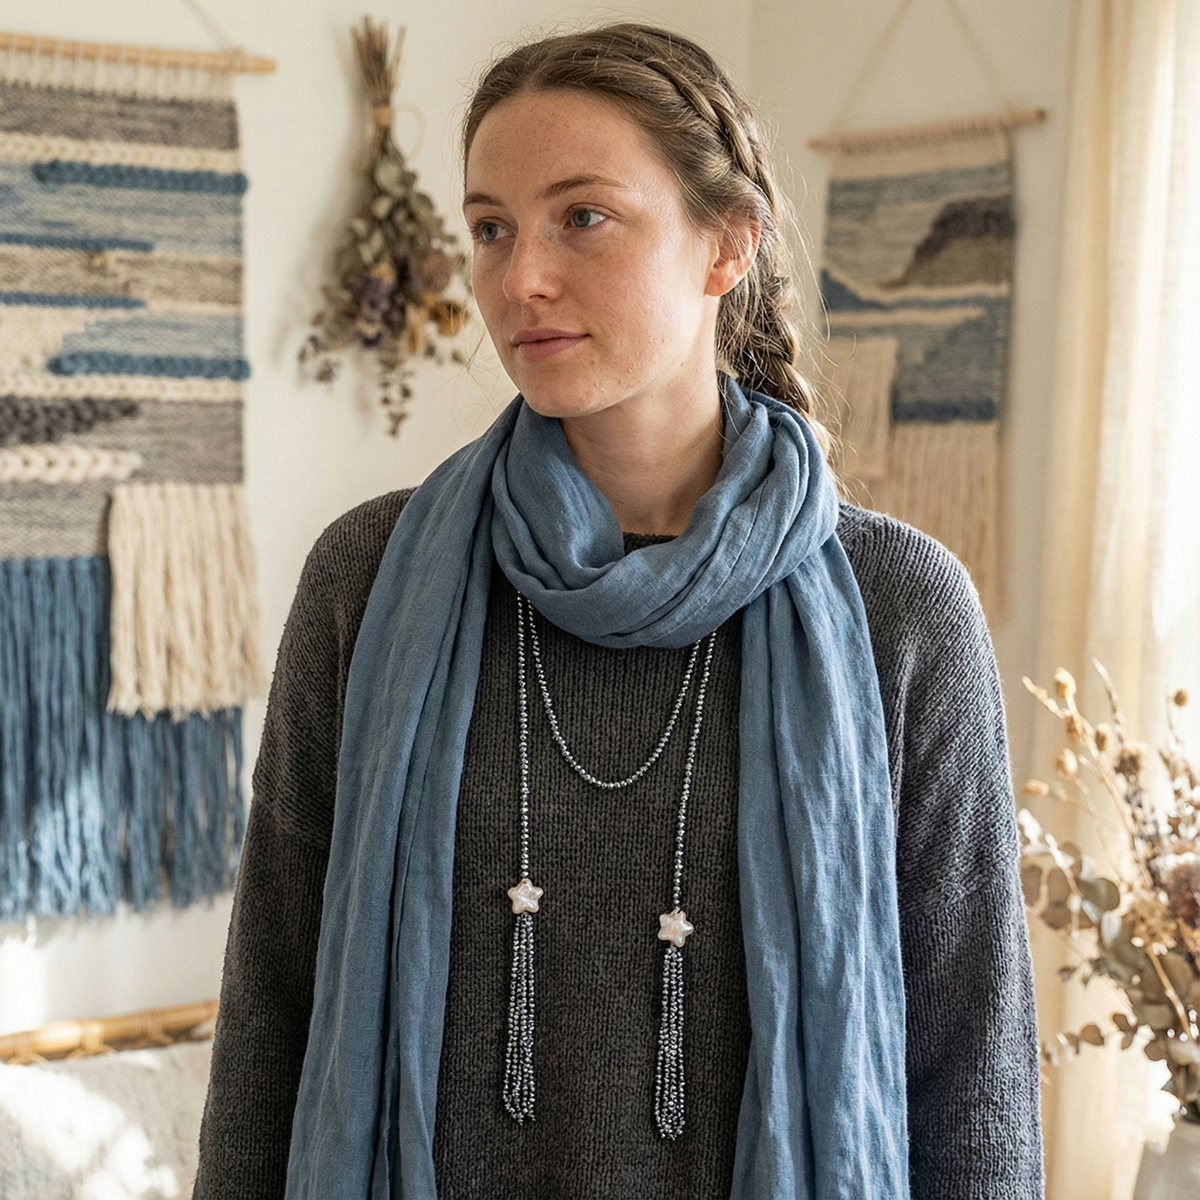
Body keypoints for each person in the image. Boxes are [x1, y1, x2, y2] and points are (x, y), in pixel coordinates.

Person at [195, 23, 1043, 1200]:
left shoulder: (900, 608)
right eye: (492, 228)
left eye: (582, 217)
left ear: (727, 245)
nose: (519, 279)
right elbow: (271, 1021)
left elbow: (971, 1068)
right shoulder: (369, 577)